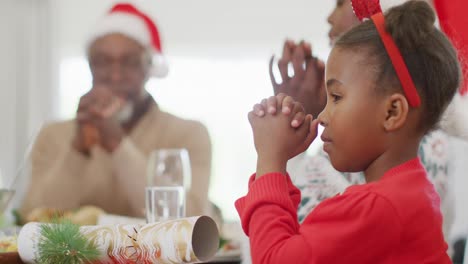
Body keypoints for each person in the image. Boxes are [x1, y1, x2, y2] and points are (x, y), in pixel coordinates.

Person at [237, 1, 459, 263]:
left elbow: (273, 259)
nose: (321, 116)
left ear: (392, 113)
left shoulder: (378, 206)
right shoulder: (410, 192)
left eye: (337, 97)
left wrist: (270, 162)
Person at [19, 3, 212, 219]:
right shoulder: (53, 135)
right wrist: (77, 150)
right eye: (102, 62)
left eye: (129, 63)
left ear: (148, 69)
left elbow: (190, 219)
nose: (115, 76)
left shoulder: (188, 134)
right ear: (90, 66)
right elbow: (31, 217)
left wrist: (117, 144)